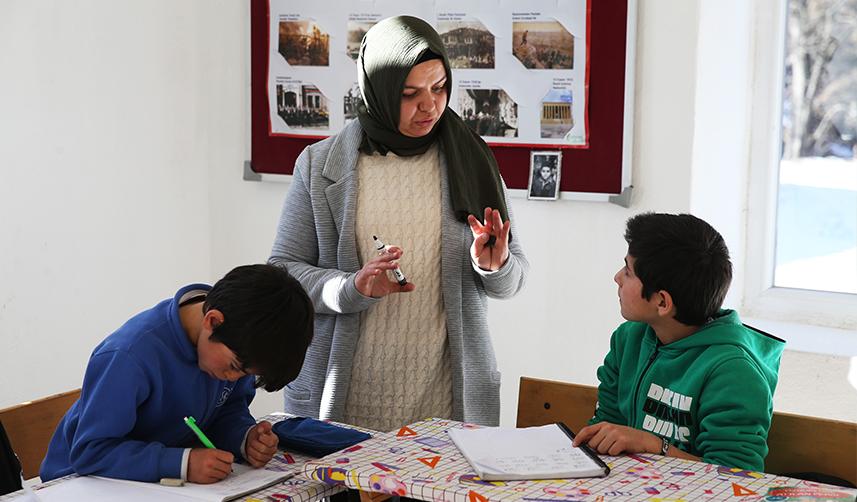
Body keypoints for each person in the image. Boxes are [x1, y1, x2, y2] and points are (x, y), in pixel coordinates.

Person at [269, 15, 528, 432]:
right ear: (379, 91)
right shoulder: (319, 165)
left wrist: (493, 266)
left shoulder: (472, 159)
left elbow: (512, 281)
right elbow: (283, 273)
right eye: (410, 93)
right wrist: (352, 288)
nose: (430, 105)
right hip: (347, 399)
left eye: (440, 87)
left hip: (447, 402)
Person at [40, 264, 314, 483]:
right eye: (234, 368)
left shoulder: (238, 340)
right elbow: (90, 451)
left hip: (156, 485)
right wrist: (180, 463)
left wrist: (244, 438)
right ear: (212, 321)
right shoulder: (129, 355)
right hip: (79, 484)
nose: (233, 378)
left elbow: (227, 409)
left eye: (246, 374)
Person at [573, 213, 784, 471]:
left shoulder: (734, 371)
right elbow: (607, 426)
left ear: (662, 302)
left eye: (628, 272)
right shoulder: (629, 339)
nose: (617, 277)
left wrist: (653, 445)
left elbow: (737, 476)